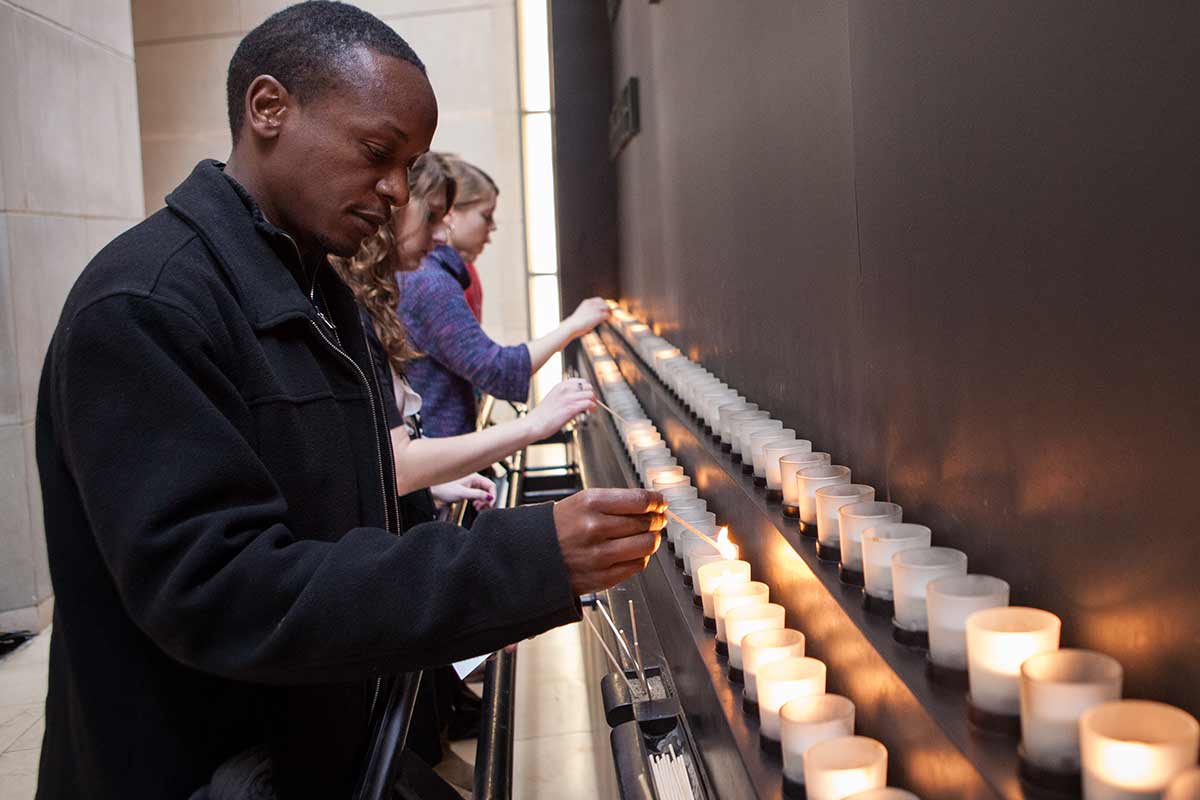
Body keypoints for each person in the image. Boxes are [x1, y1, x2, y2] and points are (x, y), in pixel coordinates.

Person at [33, 4, 664, 798]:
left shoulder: (316, 287)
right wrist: (523, 559)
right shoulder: (145, 306)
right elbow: (222, 592)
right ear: (269, 108)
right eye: (376, 152)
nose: (398, 191)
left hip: (326, 742)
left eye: (412, 163)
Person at [329, 152, 597, 512]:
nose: (442, 233)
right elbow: (397, 461)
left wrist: (432, 487)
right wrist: (535, 423)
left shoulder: (397, 287)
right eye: (433, 216)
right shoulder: (423, 284)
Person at [399, 154, 611, 438]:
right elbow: (495, 370)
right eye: (485, 216)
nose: (492, 228)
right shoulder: (429, 282)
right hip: (441, 451)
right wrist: (573, 326)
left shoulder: (435, 275)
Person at [444, 156, 496, 322]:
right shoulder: (431, 278)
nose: (493, 226)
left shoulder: (467, 269)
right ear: (451, 211)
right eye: (486, 216)